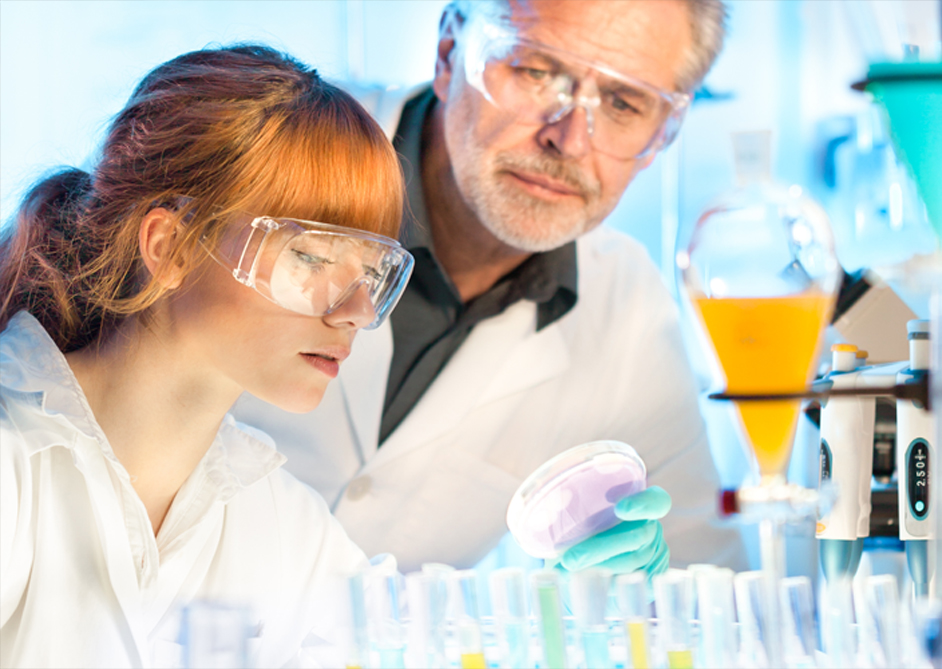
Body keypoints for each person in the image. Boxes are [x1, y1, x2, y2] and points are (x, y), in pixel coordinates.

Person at [234, 0, 748, 573]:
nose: (570, 140)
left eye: (624, 103)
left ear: (665, 132)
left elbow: (707, 586)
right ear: (450, 50)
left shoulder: (625, 308)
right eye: (536, 72)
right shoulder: (261, 151)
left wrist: (612, 602)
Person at [0, 45, 413, 668]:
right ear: (170, 248)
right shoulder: (15, 463)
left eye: (374, 272)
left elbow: (422, 639)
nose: (356, 310)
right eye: (312, 257)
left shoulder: (280, 522)